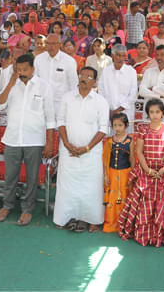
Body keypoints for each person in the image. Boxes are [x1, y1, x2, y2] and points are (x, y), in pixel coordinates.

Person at [0, 53, 55, 227]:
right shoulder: (12, 84)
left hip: (34, 139)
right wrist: (11, 82)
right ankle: (7, 206)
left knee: (32, 178)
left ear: (33, 69)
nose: (21, 72)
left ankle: (27, 209)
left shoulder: (44, 87)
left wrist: (49, 142)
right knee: (10, 176)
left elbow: (50, 117)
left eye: (25, 69)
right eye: (18, 69)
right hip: (12, 138)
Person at [53, 67, 110, 233]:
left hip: (91, 153)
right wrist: (67, 143)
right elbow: (61, 121)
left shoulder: (101, 101)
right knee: (67, 186)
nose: (83, 78)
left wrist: (87, 148)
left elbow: (103, 129)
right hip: (68, 150)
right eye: (81, 75)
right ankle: (66, 217)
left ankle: (92, 219)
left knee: (91, 187)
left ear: (94, 82)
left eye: (88, 76)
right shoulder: (67, 98)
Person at [118, 99, 164, 246]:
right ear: (148, 114)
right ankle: (143, 234)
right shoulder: (143, 129)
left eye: (157, 111)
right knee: (144, 205)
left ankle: (161, 232)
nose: (155, 114)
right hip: (147, 173)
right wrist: (148, 170)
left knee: (163, 204)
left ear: (163, 113)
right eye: (151, 112)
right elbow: (139, 151)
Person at [102, 112, 134, 234]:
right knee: (112, 198)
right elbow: (105, 159)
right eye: (115, 125)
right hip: (112, 173)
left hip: (125, 173)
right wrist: (105, 175)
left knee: (124, 197)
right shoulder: (109, 141)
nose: (117, 128)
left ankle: (124, 224)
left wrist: (132, 174)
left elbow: (132, 159)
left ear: (126, 125)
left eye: (120, 125)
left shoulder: (130, 141)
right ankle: (111, 224)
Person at [34, 33, 78, 115]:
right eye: (48, 43)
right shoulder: (39, 59)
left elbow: (74, 86)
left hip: (61, 106)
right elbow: (35, 81)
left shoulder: (69, 61)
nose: (51, 46)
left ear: (60, 45)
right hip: (42, 104)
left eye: (54, 43)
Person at [98, 44, 138, 131]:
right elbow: (101, 91)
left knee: (126, 140)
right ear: (112, 55)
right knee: (110, 140)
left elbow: (133, 94)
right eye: (118, 55)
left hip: (125, 112)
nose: (120, 58)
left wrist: (118, 110)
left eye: (123, 56)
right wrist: (108, 110)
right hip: (109, 113)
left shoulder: (131, 72)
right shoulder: (106, 71)